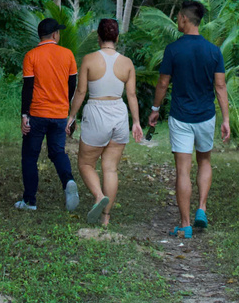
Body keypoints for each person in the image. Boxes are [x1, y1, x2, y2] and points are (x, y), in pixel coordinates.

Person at [148, 0, 230, 238]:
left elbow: (163, 83)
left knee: (183, 170)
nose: (177, 21)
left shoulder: (173, 49)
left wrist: (155, 108)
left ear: (184, 19)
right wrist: (225, 119)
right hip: (206, 116)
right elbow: (221, 86)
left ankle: (185, 225)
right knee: (204, 160)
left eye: (178, 17)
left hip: (181, 117)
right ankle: (201, 208)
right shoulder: (213, 51)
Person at [66, 18, 144, 226]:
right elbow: (132, 95)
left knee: (85, 163)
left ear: (98, 38)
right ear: (116, 38)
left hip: (97, 113)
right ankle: (105, 218)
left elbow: (81, 91)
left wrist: (71, 116)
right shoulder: (127, 63)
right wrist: (136, 122)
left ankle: (99, 197)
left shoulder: (90, 60)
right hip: (119, 114)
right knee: (110, 168)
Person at [15, 17, 80, 213]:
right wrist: (66, 108)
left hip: (36, 114)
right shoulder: (68, 55)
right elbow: (72, 85)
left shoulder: (31, 56)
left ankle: (30, 201)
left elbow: (27, 88)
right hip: (59, 114)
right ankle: (68, 180)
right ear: (55, 34)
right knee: (58, 152)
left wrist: (24, 115)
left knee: (29, 156)